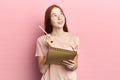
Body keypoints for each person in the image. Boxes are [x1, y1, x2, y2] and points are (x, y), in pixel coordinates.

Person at [35, 4, 80, 80]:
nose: (60, 17)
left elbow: (75, 66)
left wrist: (71, 66)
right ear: (49, 20)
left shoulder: (74, 38)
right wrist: (51, 50)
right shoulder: (41, 40)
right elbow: (42, 70)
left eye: (61, 14)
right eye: (55, 15)